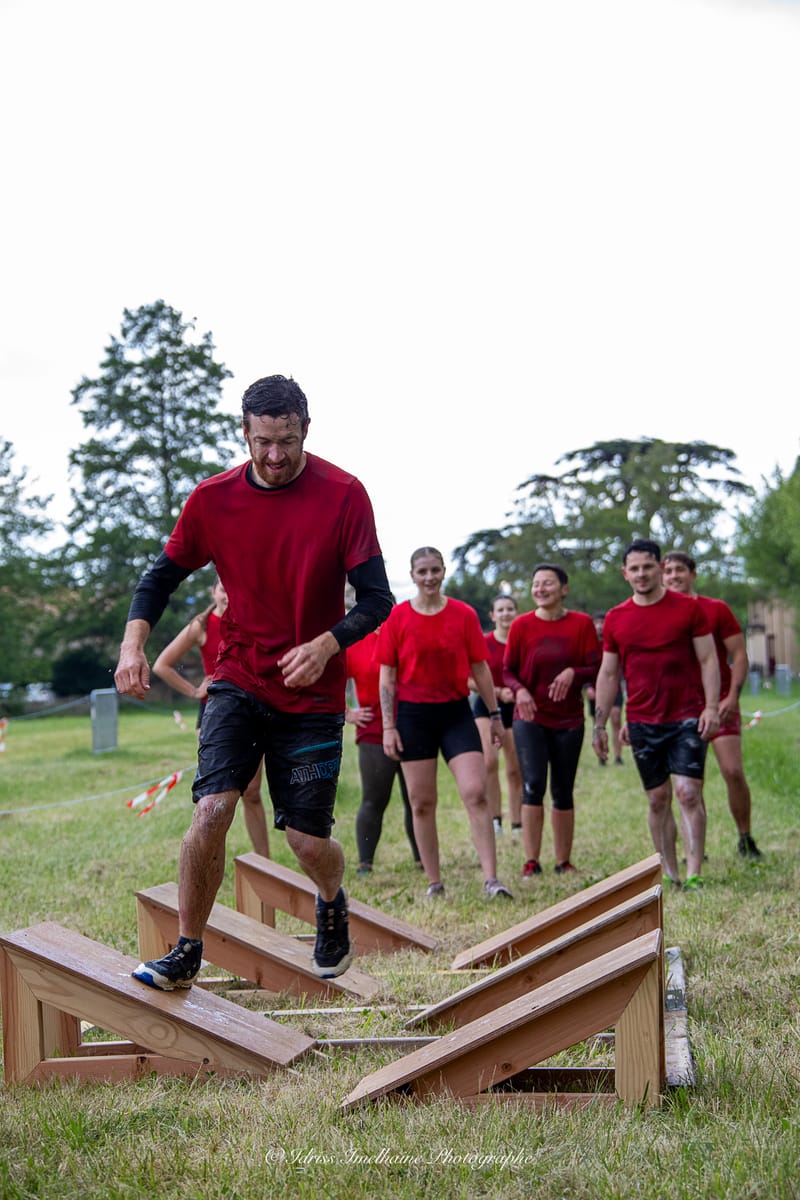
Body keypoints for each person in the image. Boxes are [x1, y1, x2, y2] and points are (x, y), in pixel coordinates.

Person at [114, 374, 393, 988]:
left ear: (305, 431)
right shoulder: (212, 499)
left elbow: (378, 600)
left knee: (307, 841)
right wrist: (134, 644)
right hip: (237, 676)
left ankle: (330, 898)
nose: (273, 456)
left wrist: (326, 644)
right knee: (212, 809)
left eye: (286, 441)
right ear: (244, 432)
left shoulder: (345, 495)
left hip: (312, 693)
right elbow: (158, 579)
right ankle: (186, 950)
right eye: (262, 441)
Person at [377, 547, 513, 899]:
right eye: (422, 571)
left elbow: (480, 669)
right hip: (413, 715)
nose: (429, 577)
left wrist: (495, 714)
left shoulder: (463, 614)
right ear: (412, 575)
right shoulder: (398, 617)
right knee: (422, 802)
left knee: (475, 792)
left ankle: (491, 879)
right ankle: (434, 883)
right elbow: (387, 675)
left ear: (444, 571)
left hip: (455, 712)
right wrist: (389, 727)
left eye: (435, 570)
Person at [592, 538, 720, 891]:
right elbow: (608, 674)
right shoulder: (617, 618)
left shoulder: (689, 609)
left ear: (660, 568)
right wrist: (600, 725)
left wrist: (711, 706)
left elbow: (708, 659)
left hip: (688, 715)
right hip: (643, 719)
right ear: (625, 573)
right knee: (657, 797)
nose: (641, 573)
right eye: (634, 568)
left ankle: (694, 871)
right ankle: (669, 870)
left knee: (688, 792)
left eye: (648, 566)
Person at [152, 576, 270, 858]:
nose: (228, 594)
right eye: (223, 588)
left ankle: (266, 864)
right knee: (216, 797)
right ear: (214, 592)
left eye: (233, 587)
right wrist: (194, 691)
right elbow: (162, 665)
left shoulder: (251, 619)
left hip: (253, 707)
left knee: (252, 791)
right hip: (214, 712)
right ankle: (207, 859)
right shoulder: (201, 626)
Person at [661, 550, 761, 859]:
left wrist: (733, 695)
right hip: (680, 708)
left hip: (720, 702)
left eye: (679, 570)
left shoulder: (715, 609)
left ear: (693, 574)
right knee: (689, 783)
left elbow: (740, 655)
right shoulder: (660, 613)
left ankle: (745, 836)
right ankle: (695, 848)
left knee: (732, 771)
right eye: (668, 571)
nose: (673, 576)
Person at [503, 564, 601, 878]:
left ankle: (564, 860)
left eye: (548, 583)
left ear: (564, 589)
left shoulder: (582, 624)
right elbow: (507, 671)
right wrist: (519, 691)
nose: (541, 589)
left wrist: (575, 672)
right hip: (530, 717)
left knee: (563, 789)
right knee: (532, 785)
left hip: (569, 719)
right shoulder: (521, 626)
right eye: (536, 584)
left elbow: (596, 667)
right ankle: (531, 860)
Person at [344, 628, 422, 874]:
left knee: (417, 800)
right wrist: (347, 712)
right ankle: (365, 863)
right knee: (374, 799)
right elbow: (329, 681)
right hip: (374, 731)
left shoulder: (410, 636)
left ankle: (423, 860)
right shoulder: (356, 644)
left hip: (414, 726)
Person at [469, 593, 523, 839]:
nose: (505, 614)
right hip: (486, 705)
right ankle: (495, 820)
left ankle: (518, 822)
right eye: (500, 610)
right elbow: (468, 677)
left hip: (515, 707)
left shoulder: (522, 641)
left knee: (514, 768)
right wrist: (496, 691)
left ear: (516, 612)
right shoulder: (483, 641)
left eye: (509, 609)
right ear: (492, 615)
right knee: (489, 762)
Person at [584, 611, 624, 765]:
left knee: (615, 718)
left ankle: (618, 755)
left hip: (615, 689)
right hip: (595, 690)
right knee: (598, 721)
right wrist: (588, 686)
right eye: (597, 623)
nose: (600, 626)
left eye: (603, 623)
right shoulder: (590, 645)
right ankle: (601, 754)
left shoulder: (614, 642)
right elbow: (584, 666)